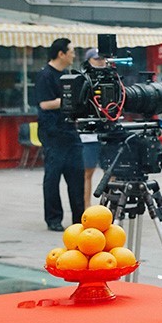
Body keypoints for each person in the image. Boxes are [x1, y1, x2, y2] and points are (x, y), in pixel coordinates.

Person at [36, 37, 85, 231]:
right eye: (71, 51)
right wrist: (68, 100)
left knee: (77, 176)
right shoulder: (45, 75)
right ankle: (53, 218)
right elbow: (44, 104)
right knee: (53, 177)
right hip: (52, 133)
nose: (74, 55)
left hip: (70, 131)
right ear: (61, 54)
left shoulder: (67, 75)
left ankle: (79, 218)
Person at [80, 48, 108, 209]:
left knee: (110, 172)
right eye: (97, 59)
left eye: (102, 59)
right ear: (88, 61)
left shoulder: (110, 78)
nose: (100, 62)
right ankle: (86, 206)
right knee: (87, 172)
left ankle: (108, 205)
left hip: (107, 131)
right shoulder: (83, 79)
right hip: (89, 135)